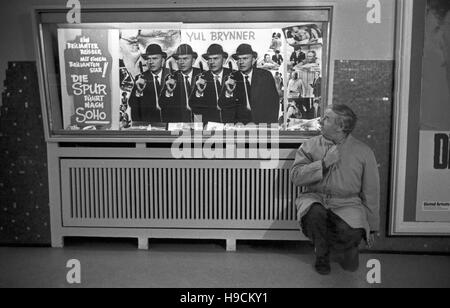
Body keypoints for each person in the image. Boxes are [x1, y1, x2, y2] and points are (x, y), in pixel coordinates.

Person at [290, 104, 380, 275]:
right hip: (315, 198)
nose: (321, 121)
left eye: (326, 118)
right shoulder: (309, 146)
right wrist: (323, 164)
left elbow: (371, 192)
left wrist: (372, 226)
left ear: (341, 127)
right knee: (314, 214)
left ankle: (346, 249)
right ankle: (321, 254)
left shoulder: (363, 152)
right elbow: (296, 176)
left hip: (348, 203)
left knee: (351, 232)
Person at [220, 44, 279, 124]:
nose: (241, 62)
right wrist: (228, 92)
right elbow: (222, 105)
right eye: (239, 59)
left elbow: (274, 103)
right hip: (239, 125)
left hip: (262, 123)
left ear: (253, 60)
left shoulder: (265, 76)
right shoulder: (231, 78)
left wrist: (270, 126)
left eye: (245, 58)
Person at [190, 44, 233, 124]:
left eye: (215, 58)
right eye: (209, 59)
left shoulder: (233, 77)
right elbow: (194, 107)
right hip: (209, 125)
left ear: (223, 60)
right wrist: (199, 92)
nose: (212, 62)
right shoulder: (201, 78)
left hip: (231, 125)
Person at [128, 44, 170, 124]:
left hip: (171, 124)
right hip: (150, 125)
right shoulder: (140, 78)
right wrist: (138, 91)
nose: (150, 62)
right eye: (148, 59)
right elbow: (132, 103)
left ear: (163, 60)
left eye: (154, 58)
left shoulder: (173, 76)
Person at [160, 44, 201, 123]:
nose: (181, 62)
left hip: (200, 121)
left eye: (185, 59)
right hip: (179, 123)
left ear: (193, 60)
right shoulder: (171, 78)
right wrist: (169, 92)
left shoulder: (202, 75)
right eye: (178, 59)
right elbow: (162, 103)